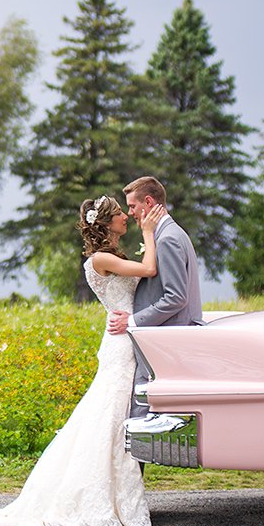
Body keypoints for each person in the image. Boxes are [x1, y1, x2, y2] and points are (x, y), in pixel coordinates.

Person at [0, 195, 163, 526]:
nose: (126, 218)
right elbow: (149, 269)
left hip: (125, 333)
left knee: (114, 414)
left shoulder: (110, 256)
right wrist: (150, 232)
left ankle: (118, 490)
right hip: (120, 343)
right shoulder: (100, 259)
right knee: (110, 415)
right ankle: (94, 495)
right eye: (119, 216)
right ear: (106, 224)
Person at [107, 176, 202, 418]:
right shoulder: (167, 234)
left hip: (166, 340)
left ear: (148, 202)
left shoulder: (168, 239)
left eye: (132, 206)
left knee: (147, 409)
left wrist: (132, 320)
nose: (130, 213)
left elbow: (176, 297)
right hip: (163, 337)